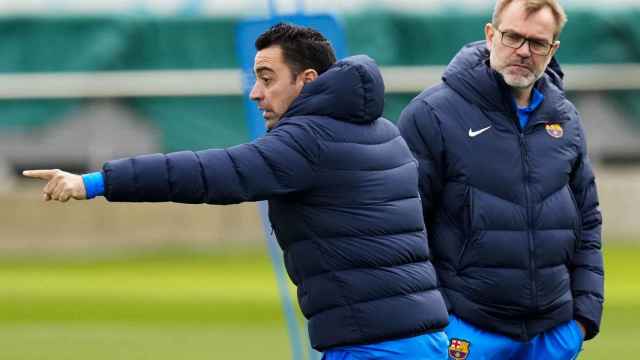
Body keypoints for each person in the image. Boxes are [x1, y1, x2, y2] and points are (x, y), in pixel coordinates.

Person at [24, 23, 450, 359]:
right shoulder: (383, 132)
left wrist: (93, 182)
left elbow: (208, 172)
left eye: (267, 78)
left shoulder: (306, 142)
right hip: (423, 339)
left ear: (307, 79)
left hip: (372, 346)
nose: (255, 93)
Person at [397, 1, 603, 359]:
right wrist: (434, 320)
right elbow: (402, 228)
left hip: (554, 334)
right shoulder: (431, 114)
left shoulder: (566, 120)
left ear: (552, 50)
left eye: (537, 43)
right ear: (491, 35)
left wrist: (583, 317)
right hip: (465, 330)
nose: (523, 51)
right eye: (513, 37)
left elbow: (588, 221)